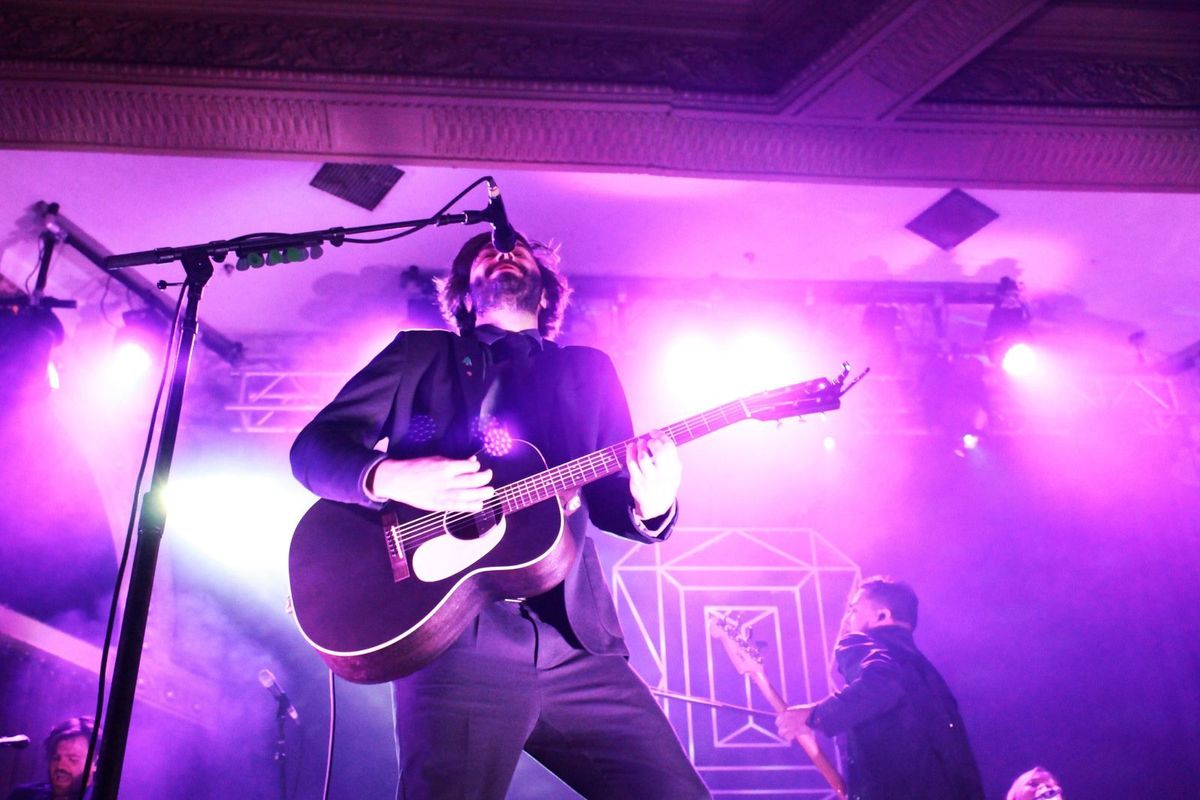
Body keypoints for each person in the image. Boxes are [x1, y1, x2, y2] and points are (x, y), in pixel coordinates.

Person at [290, 231, 710, 799]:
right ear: (463, 295)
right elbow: (313, 449)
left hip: (576, 644)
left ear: (547, 291)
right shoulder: (418, 357)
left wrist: (654, 502)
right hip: (453, 639)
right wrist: (390, 475)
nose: (502, 248)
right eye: (484, 251)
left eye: (519, 249)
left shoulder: (589, 371)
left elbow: (616, 501)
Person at [775, 577, 984, 800]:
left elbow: (882, 685)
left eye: (853, 610)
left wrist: (815, 714)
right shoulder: (928, 676)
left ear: (882, 616)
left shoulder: (863, 643)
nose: (847, 620)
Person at [6, 716, 95, 800]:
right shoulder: (23, 796)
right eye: (56, 758)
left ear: (95, 763)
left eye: (73, 759)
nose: (60, 766)